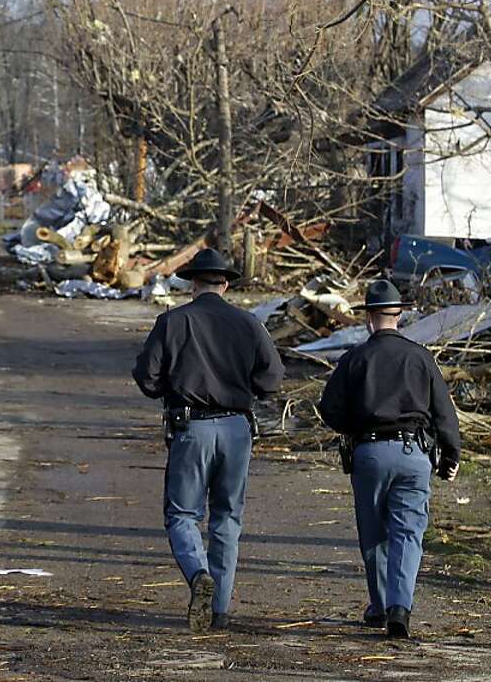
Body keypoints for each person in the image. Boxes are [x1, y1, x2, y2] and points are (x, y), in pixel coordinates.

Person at [133, 248, 284, 633]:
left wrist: (173, 385)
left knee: (183, 514)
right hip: (237, 427)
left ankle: (198, 573)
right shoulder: (249, 323)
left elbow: (146, 378)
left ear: (192, 284)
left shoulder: (173, 322)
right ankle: (219, 609)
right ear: (226, 284)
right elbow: (272, 378)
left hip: (192, 427)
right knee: (227, 517)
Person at [319, 279, 461, 639]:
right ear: (400, 314)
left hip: (369, 453)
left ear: (368, 318)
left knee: (374, 533)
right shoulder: (420, 357)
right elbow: (444, 413)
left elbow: (329, 409)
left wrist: (357, 428)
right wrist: (450, 455)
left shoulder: (354, 359)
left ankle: (380, 606)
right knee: (408, 532)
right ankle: (400, 606)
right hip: (415, 454)